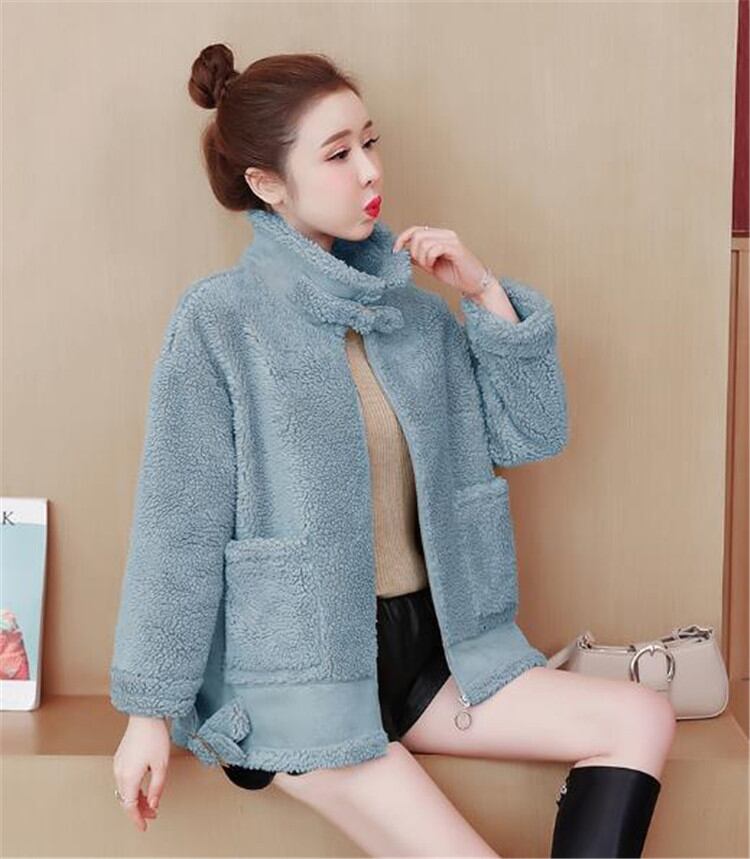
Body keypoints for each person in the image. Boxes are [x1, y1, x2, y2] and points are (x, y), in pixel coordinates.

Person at [110, 45, 675, 858]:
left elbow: (531, 433)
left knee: (641, 716)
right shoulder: (220, 322)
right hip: (297, 680)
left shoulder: (417, 321)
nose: (370, 170)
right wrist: (148, 713)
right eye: (338, 154)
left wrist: (483, 294)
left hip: (430, 654)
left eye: (370, 143)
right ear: (267, 183)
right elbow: (178, 524)